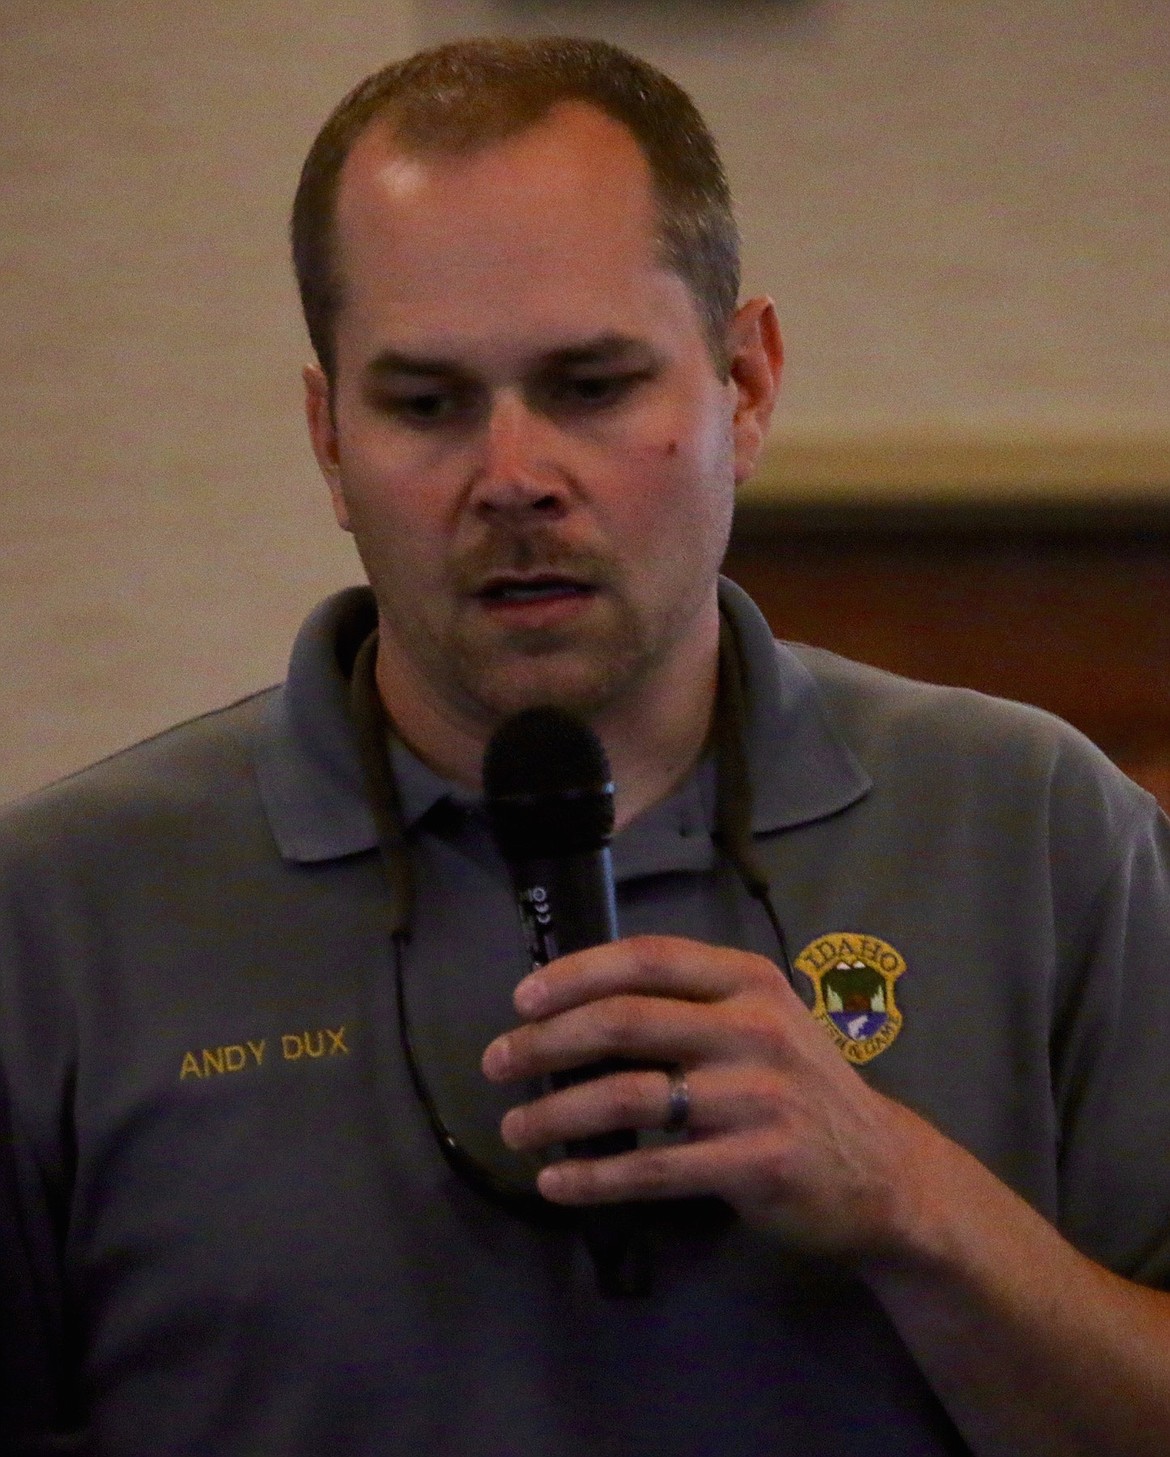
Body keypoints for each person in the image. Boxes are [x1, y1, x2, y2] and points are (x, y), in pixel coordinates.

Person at [2, 35, 1168, 1457]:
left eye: (592, 384)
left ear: (743, 382)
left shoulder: (1037, 828)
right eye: (424, 404)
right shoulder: (61, 909)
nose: (512, 478)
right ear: (325, 437)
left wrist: (908, 1199)